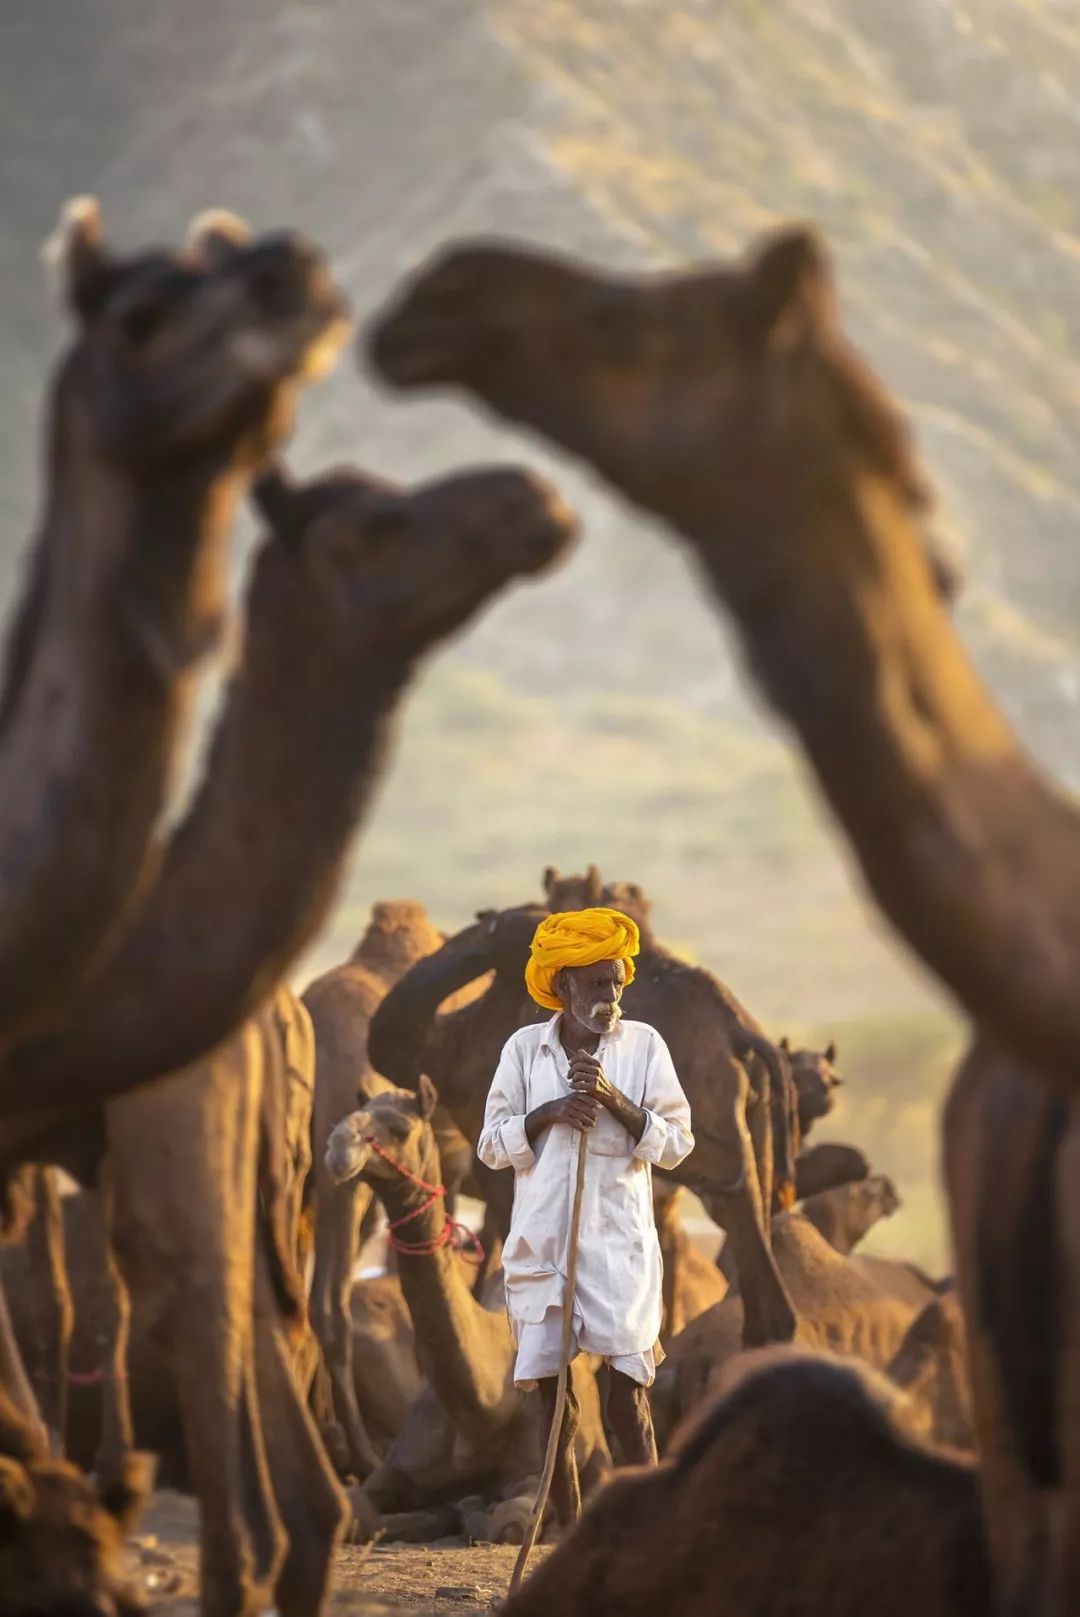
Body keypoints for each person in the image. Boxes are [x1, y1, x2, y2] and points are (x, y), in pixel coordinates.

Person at [477, 905, 693, 1501]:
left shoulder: (644, 1046)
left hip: (618, 1249)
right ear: (564, 982)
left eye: (619, 981)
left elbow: (676, 1143)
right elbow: (491, 1145)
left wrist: (613, 1099)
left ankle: (649, 1532)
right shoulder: (524, 1051)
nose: (612, 994)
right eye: (599, 982)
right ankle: (572, 1536)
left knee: (627, 1399)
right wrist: (547, 1115)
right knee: (554, 1404)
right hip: (543, 1245)